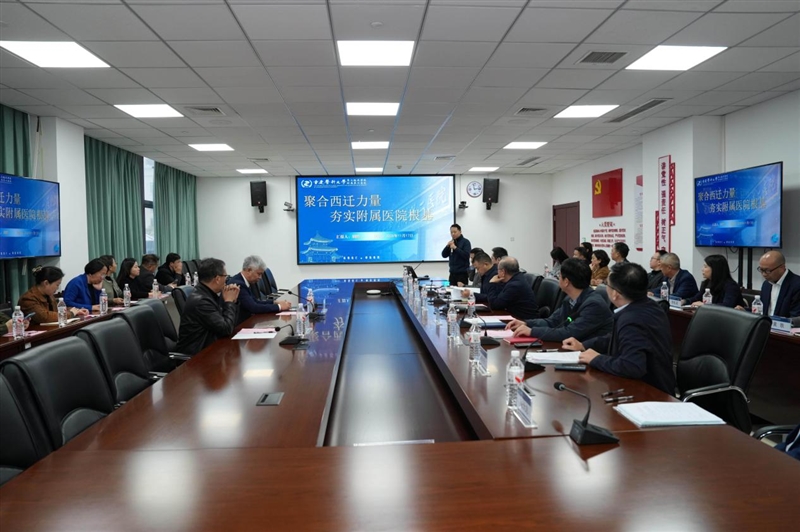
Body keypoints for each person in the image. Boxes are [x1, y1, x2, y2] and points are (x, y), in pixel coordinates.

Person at [562, 262, 676, 395]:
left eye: (607, 284)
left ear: (615, 294)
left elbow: (631, 366)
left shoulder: (632, 319)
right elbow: (615, 337)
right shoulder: (649, 306)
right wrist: (584, 345)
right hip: (651, 384)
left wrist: (597, 359)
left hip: (651, 393)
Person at [507, 258, 613, 342]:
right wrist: (526, 323)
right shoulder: (570, 299)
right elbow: (553, 321)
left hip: (591, 355)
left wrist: (532, 331)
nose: (558, 279)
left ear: (566, 282)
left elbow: (569, 333)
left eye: (559, 276)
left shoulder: (593, 305)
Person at [176, 258, 240, 356]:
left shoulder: (208, 293)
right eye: (225, 276)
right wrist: (229, 302)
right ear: (217, 279)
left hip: (211, 347)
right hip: (198, 356)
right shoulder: (201, 301)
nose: (226, 280)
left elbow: (231, 325)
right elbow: (226, 329)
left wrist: (233, 301)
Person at [228, 255, 291, 325]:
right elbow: (253, 307)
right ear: (249, 270)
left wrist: (274, 302)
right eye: (259, 274)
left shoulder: (243, 281)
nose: (260, 277)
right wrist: (279, 307)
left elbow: (255, 301)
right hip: (239, 325)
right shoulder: (238, 284)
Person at [18, 266, 88, 324]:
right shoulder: (28, 299)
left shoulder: (49, 295)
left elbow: (57, 312)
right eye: (57, 285)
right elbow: (45, 317)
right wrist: (71, 313)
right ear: (46, 283)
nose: (58, 288)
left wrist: (76, 311)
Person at [755, 250, 800, 318]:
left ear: (782, 268)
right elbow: (761, 311)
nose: (764, 274)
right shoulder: (766, 284)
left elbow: (796, 318)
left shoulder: (797, 285)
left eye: (767, 270)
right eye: (761, 270)